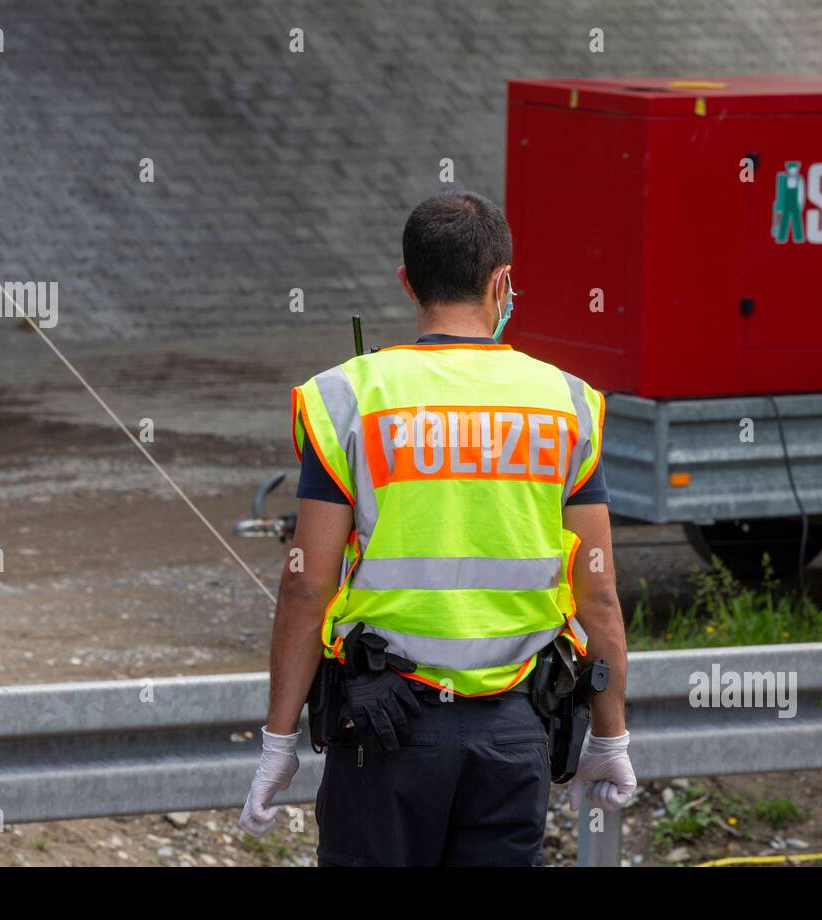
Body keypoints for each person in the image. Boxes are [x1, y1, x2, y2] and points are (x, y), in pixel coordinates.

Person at [238, 191, 635, 866]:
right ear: (502, 281)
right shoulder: (565, 402)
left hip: (385, 731)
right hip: (513, 734)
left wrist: (279, 742)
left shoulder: (348, 398)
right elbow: (596, 591)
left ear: (407, 283)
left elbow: (306, 587)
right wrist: (610, 737)